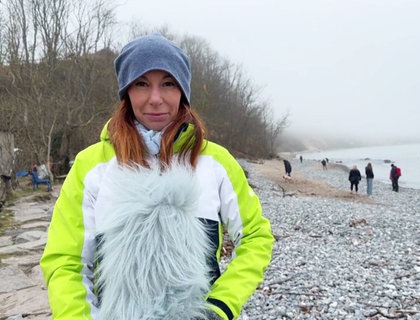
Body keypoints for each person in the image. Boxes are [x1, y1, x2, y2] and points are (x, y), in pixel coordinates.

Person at [40, 34, 274, 320]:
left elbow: (256, 237)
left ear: (182, 92)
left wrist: (220, 306)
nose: (155, 99)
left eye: (168, 83)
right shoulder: (91, 166)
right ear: (126, 92)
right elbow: (65, 261)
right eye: (141, 84)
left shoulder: (216, 163)